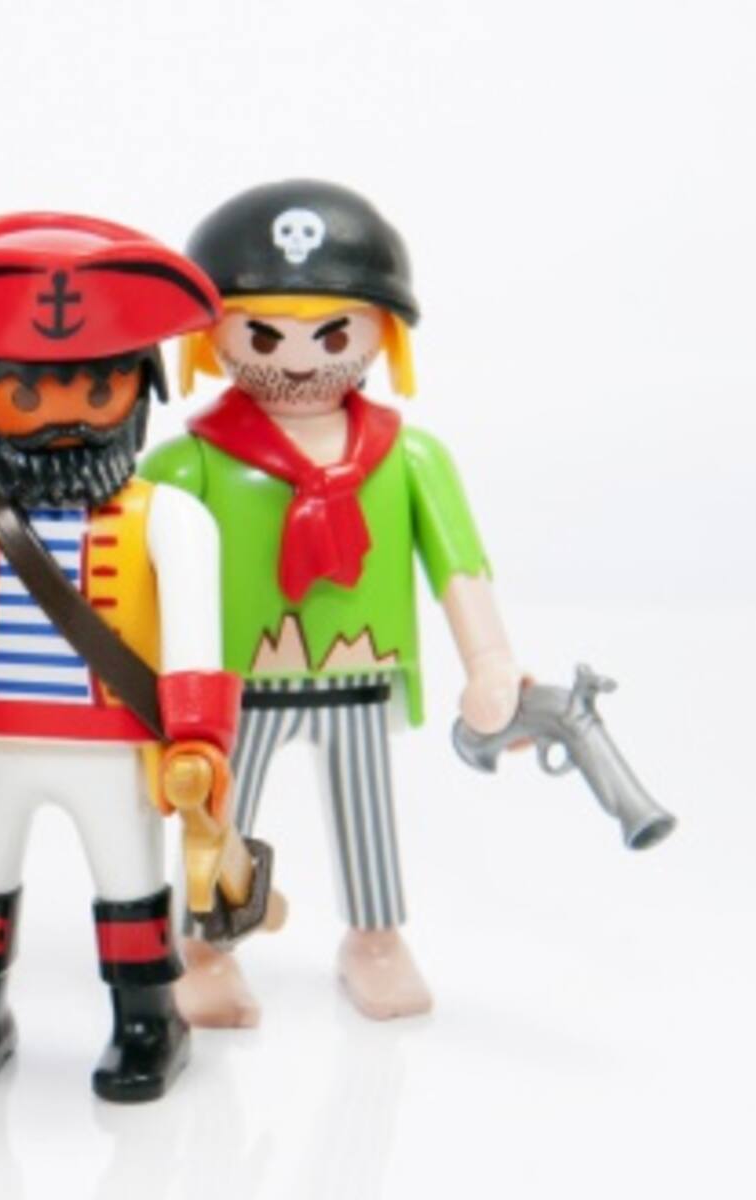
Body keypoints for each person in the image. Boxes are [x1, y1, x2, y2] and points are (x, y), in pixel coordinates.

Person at [0, 212, 241, 1101]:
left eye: (99, 391)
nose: (64, 420)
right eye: (22, 397)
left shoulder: (169, 518)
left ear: (139, 391)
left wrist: (197, 741)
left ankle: (148, 1018)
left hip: (117, 744)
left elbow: (197, 644)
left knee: (129, 882)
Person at [142, 180, 523, 1024]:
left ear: (385, 330)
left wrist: (490, 661)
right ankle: (206, 946)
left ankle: (376, 939)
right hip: (232, 689)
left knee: (367, 814)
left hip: (358, 675)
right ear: (211, 334)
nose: (300, 360)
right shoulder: (191, 463)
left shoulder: (411, 458)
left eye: (334, 333)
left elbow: (459, 569)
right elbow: (136, 575)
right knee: (221, 817)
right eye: (264, 333)